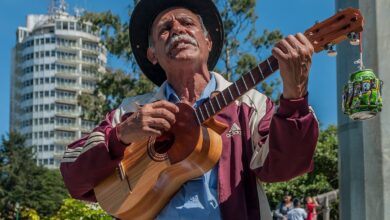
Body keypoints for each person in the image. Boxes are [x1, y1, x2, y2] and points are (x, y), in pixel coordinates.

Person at [60, 0, 319, 219]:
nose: (177, 30)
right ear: (152, 54)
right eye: (165, 28)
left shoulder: (249, 105)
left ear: (207, 41)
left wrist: (295, 97)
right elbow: (74, 176)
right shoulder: (130, 112)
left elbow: (286, 167)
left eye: (187, 23)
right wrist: (121, 135)